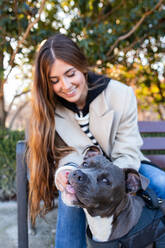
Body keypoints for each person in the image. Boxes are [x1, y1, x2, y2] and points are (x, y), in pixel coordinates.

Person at [28, 33, 165, 248]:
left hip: (125, 166)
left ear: (82, 66)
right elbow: (67, 156)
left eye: (70, 74)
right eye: (54, 81)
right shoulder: (51, 111)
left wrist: (112, 182)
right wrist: (65, 174)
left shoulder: (120, 94)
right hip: (84, 172)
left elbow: (127, 149)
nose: (65, 85)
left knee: (161, 184)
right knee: (71, 195)